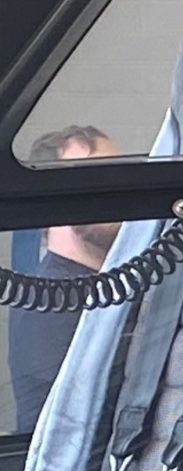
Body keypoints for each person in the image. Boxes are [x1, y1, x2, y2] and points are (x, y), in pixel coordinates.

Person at [8, 124, 120, 428]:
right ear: (51, 201)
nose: (116, 192)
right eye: (92, 178)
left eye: (117, 175)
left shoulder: (98, 287)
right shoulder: (50, 304)